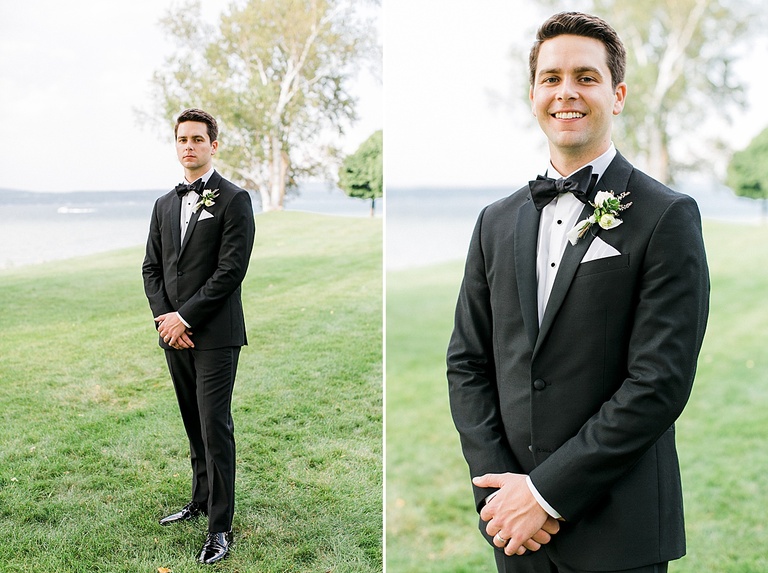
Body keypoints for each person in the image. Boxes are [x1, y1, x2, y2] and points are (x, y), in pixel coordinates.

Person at [446, 12, 709, 573]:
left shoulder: (667, 216)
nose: (566, 92)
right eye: (551, 78)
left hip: (619, 530)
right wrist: (504, 497)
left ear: (616, 95)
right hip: (513, 528)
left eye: (586, 77)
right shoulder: (495, 221)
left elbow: (658, 382)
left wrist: (545, 495)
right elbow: (468, 363)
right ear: (534, 94)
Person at [142, 108, 256, 564]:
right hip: (174, 334)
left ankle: (220, 527)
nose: (188, 146)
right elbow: (151, 267)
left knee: (215, 426)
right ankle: (200, 499)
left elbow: (231, 270)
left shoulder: (234, 200)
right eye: (181, 139)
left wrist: (185, 318)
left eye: (196, 139)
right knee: (193, 424)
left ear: (214, 145)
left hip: (215, 335)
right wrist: (166, 319)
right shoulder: (164, 204)